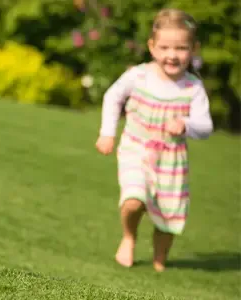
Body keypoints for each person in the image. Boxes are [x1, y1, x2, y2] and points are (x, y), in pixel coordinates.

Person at [94, 8, 214, 272]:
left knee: (168, 216)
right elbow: (112, 97)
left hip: (171, 160)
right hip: (136, 148)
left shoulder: (193, 88)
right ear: (152, 47)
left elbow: (206, 127)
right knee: (133, 199)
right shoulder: (138, 76)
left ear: (193, 49)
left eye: (181, 48)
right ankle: (129, 236)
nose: (172, 55)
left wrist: (185, 124)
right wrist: (107, 132)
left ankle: (160, 257)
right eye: (165, 47)